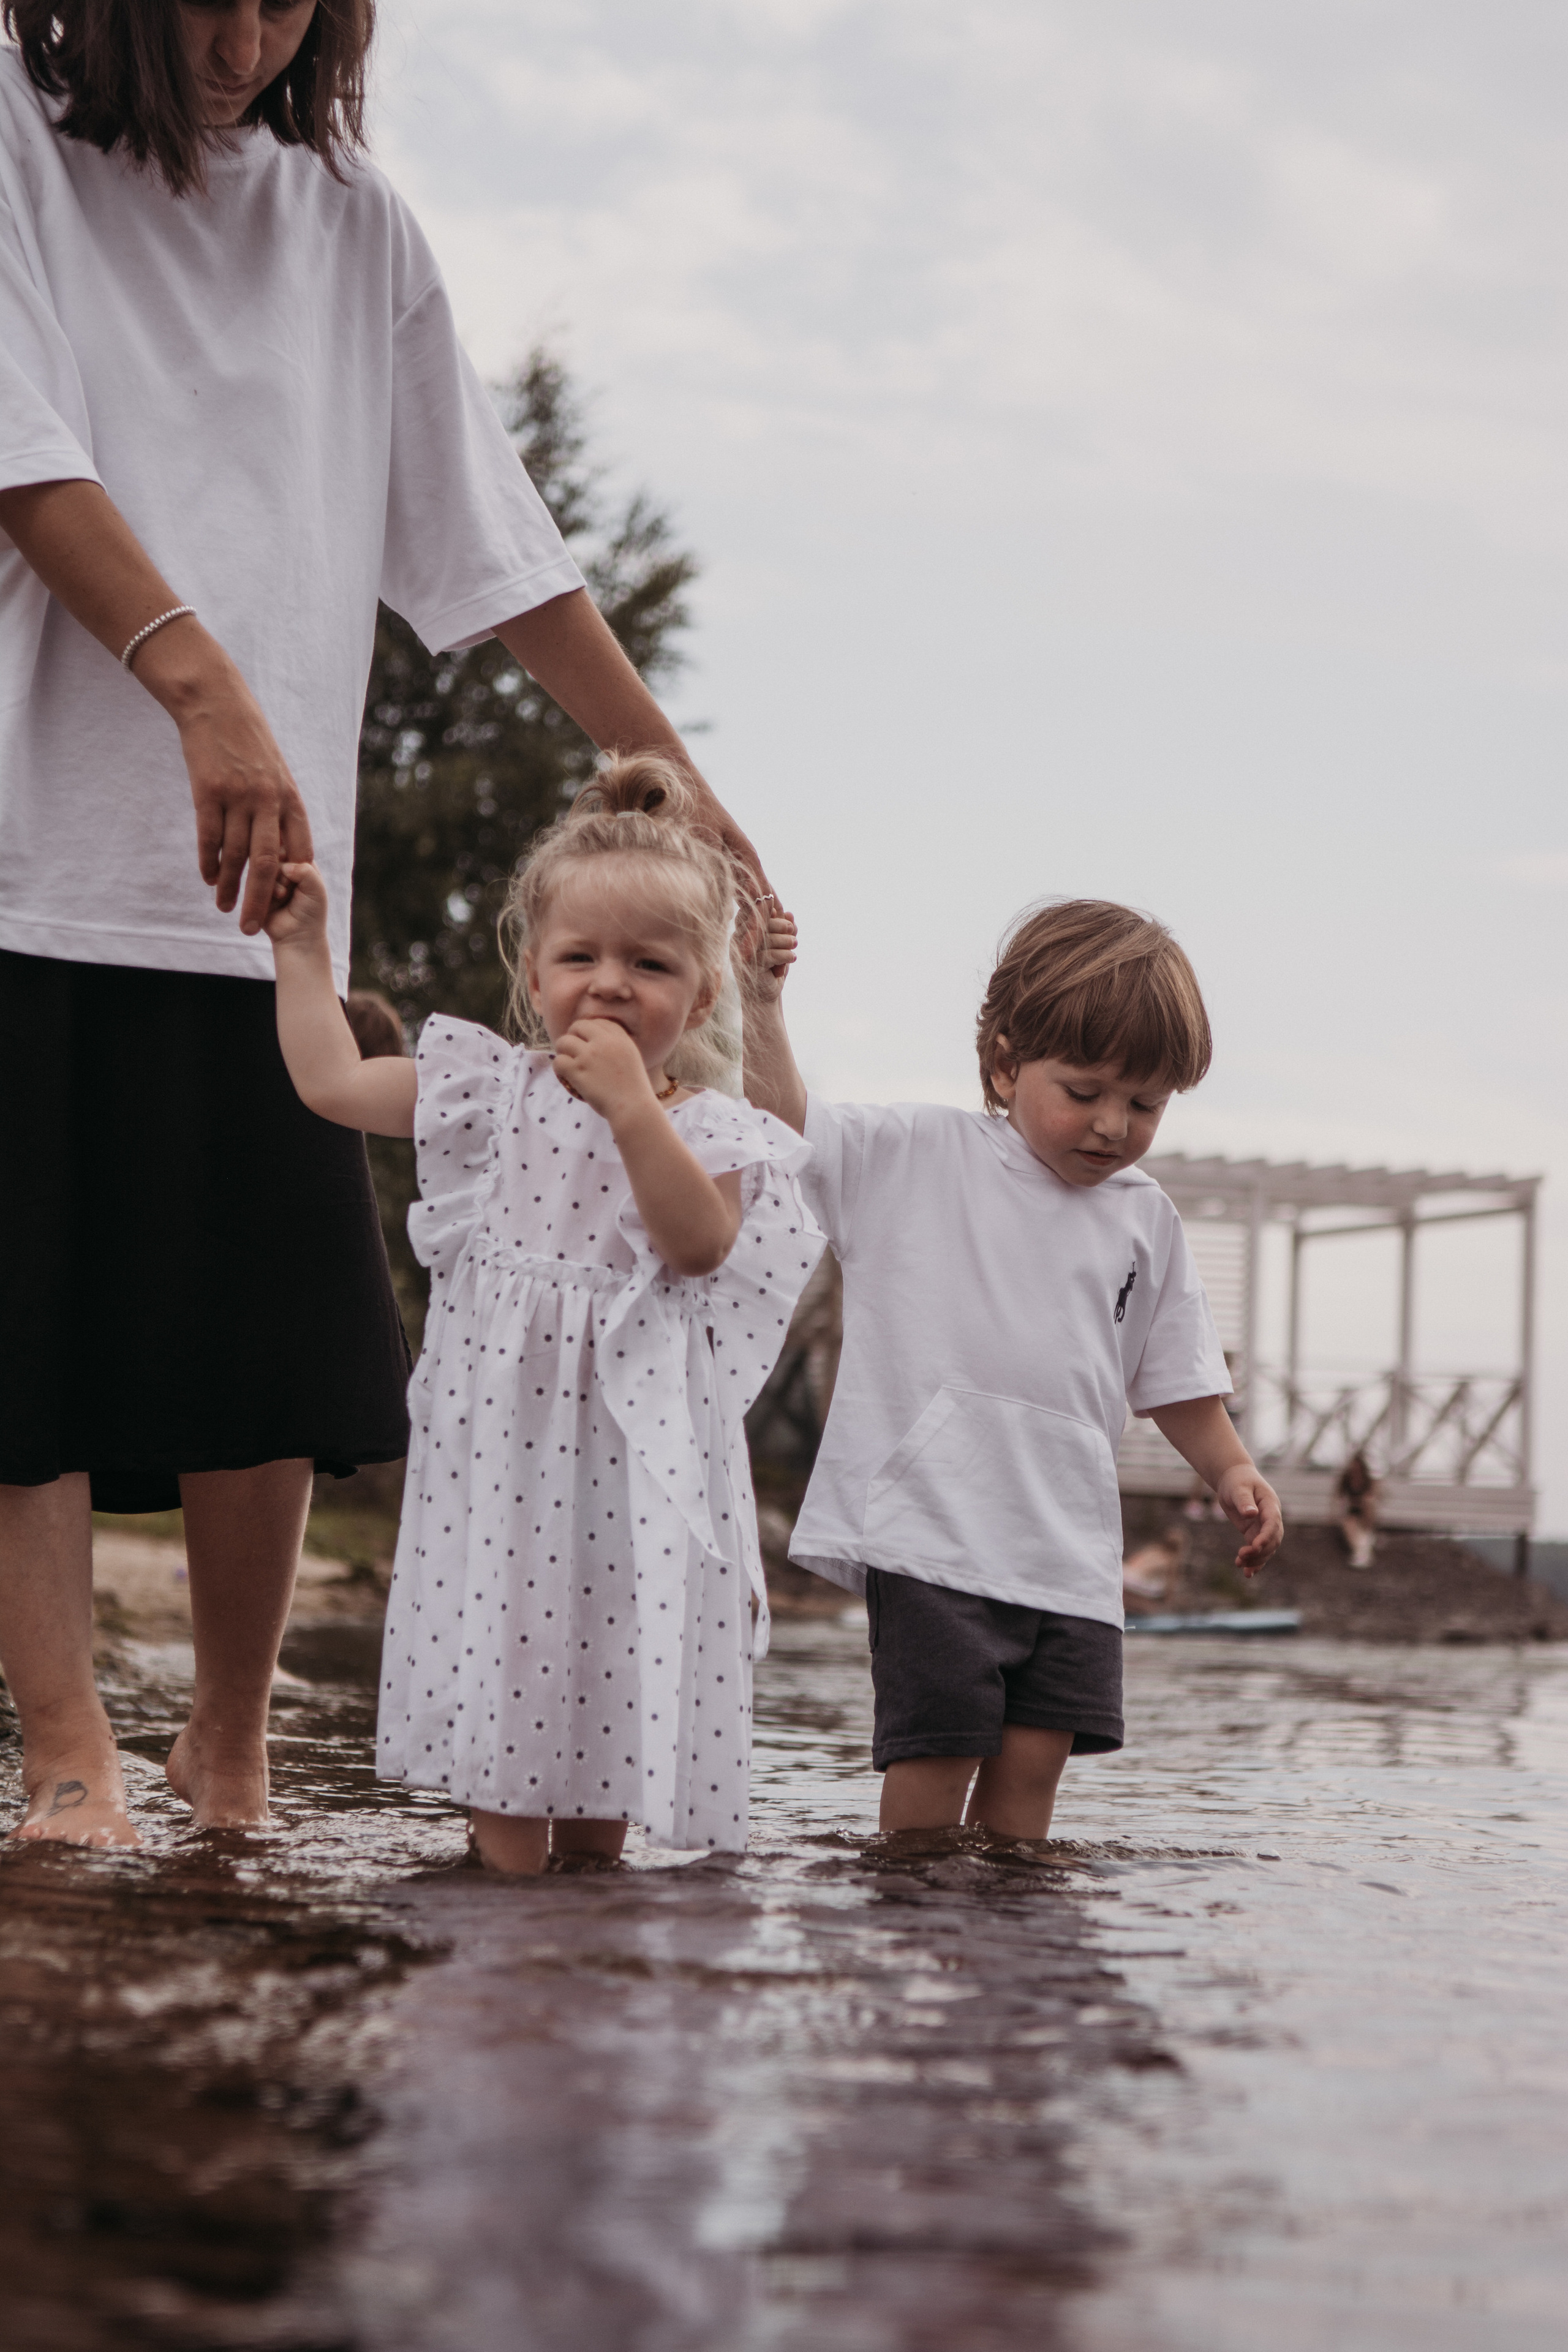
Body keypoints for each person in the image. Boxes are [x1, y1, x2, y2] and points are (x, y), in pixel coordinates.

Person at [0, 0, 766, 1849]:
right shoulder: (15, 130)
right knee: (22, 1334)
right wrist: (200, 684)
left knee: (269, 1337)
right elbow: (20, 447)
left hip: (273, 894)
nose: (246, 34)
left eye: (294, 0)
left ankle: (231, 1744)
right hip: (35, 848)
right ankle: (66, 1749)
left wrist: (661, 756)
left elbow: (494, 543)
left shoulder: (354, 222)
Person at [265, 756, 822, 1872]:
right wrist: (301, 949)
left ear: (699, 996)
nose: (611, 984)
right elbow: (328, 1083)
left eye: (650, 965)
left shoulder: (705, 1123)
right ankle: (507, 1894)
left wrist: (629, 1106)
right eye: (582, 957)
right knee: (512, 1653)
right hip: (506, 1462)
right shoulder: (490, 1091)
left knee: (612, 1658)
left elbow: (699, 1242)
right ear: (535, 970)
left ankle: (593, 1912)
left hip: (631, 1465)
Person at [743, 896, 1284, 1842]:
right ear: (1004, 1060)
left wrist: (1233, 1469)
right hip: (935, 1533)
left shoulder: (1145, 1217)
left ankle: (1016, 1972)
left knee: (1033, 1772)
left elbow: (1178, 1377)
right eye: (1084, 1091)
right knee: (937, 1755)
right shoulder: (917, 1156)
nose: (1113, 1125)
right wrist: (761, 1001)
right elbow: (783, 1119)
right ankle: (907, 1928)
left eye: (1145, 1103)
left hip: (1069, 1553)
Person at [1335, 1450, 1379, 1571]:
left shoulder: (1367, 1479)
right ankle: (1361, 1551)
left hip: (1366, 1510)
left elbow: (1374, 1495)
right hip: (1353, 1510)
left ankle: (1364, 1546)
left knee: (1368, 1504)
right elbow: (1339, 1496)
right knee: (1349, 1525)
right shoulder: (1347, 1479)